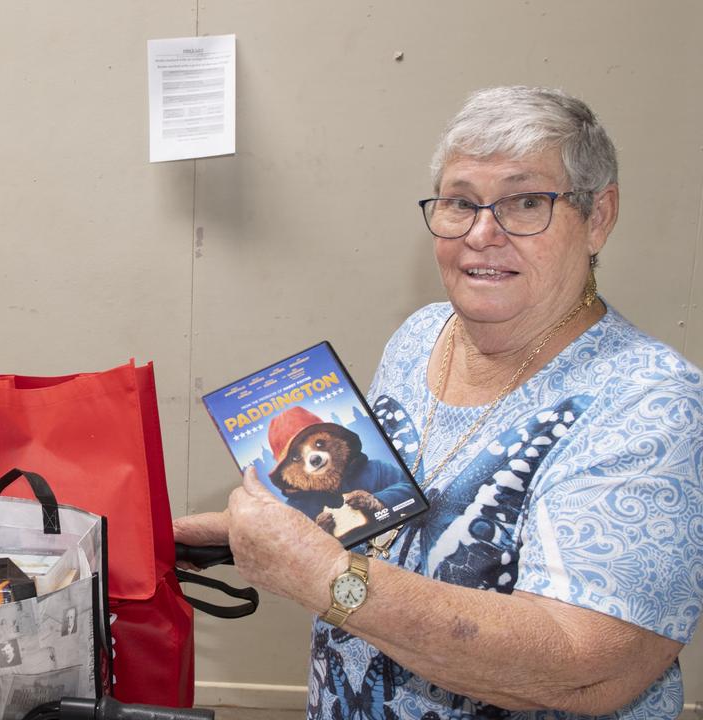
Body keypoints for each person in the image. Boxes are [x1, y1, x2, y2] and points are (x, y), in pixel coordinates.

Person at [175, 86, 703, 718]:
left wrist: (321, 578)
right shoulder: (425, 332)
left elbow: (583, 669)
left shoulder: (649, 401)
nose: (482, 234)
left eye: (526, 202)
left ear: (598, 218)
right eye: (460, 203)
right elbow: (380, 519)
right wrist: (246, 534)